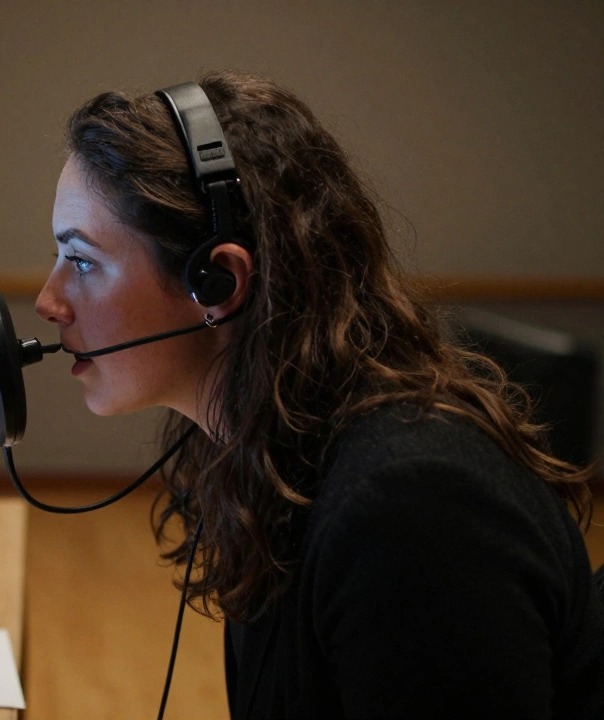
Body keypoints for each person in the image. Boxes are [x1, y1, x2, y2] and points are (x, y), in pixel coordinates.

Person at [33, 70, 604, 718]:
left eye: (81, 261)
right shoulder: (268, 462)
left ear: (218, 282)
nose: (47, 301)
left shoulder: (410, 511)